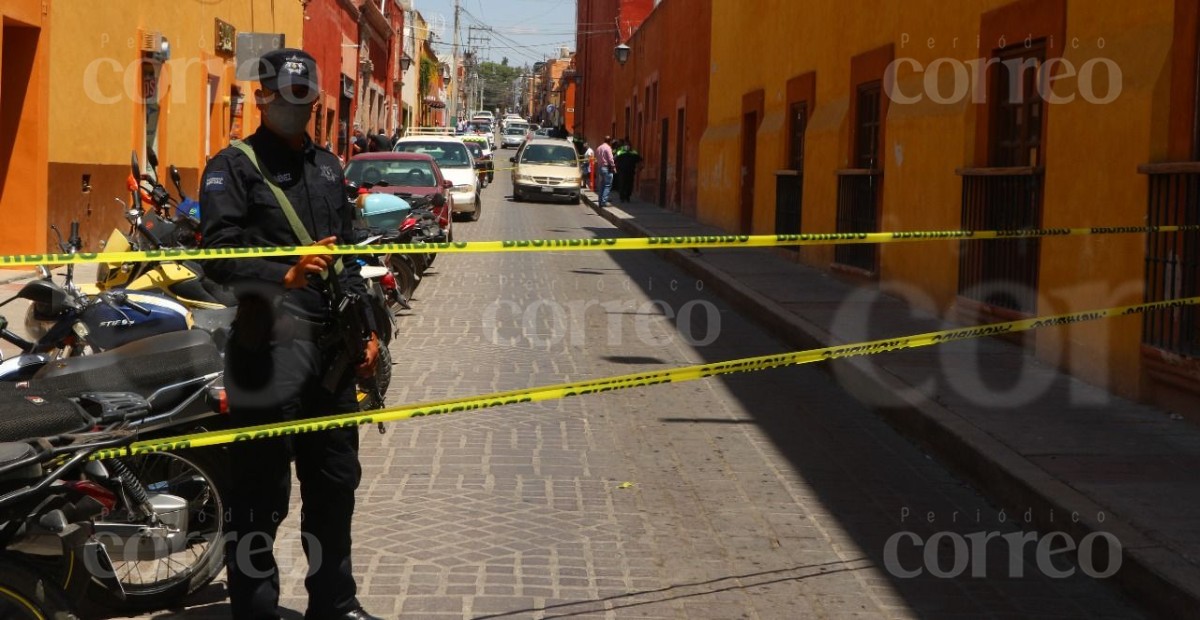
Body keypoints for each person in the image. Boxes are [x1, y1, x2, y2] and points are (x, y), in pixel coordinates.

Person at [199, 48, 382, 620]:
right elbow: (217, 256)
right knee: (258, 499)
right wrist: (284, 270)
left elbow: (350, 254)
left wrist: (371, 332)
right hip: (265, 353)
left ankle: (335, 603)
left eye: (305, 97)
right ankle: (256, 610)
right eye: (284, 96)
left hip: (330, 356)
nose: (294, 107)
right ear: (261, 98)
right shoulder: (232, 167)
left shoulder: (329, 168)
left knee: (334, 487)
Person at [594, 136, 615, 208]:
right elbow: (610, 159)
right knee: (607, 185)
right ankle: (604, 201)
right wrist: (613, 167)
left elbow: (596, 157)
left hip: (600, 168)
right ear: (610, 141)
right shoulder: (608, 148)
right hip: (606, 168)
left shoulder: (599, 148)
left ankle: (600, 201)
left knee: (602, 185)